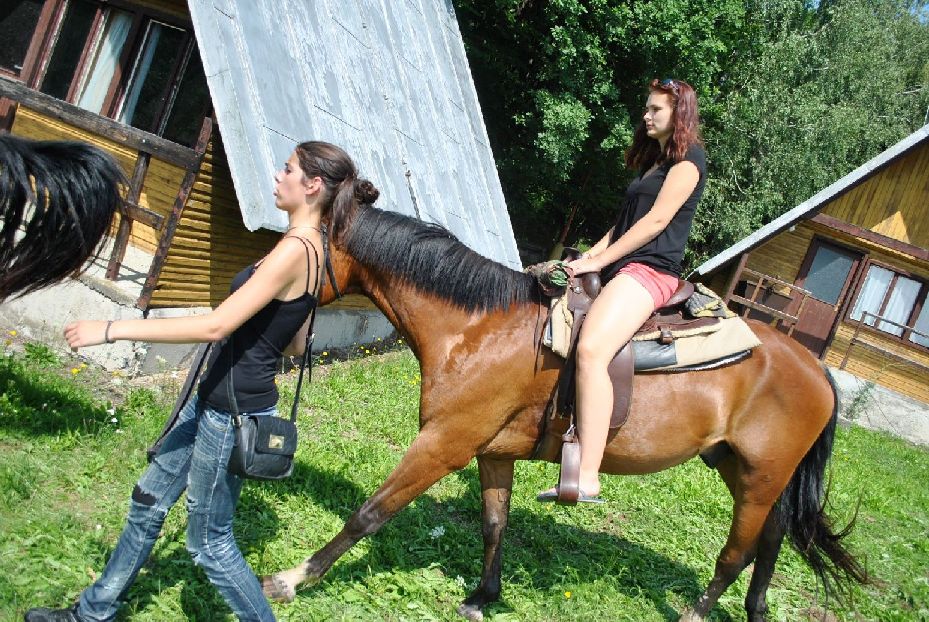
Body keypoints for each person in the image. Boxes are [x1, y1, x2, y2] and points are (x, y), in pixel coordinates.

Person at [25, 141, 380, 622]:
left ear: (313, 185)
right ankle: (92, 613)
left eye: (288, 169)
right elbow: (295, 343)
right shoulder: (313, 250)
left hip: (230, 413)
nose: (278, 176)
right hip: (216, 399)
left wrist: (110, 329)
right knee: (148, 501)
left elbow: (216, 326)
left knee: (210, 543)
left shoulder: (297, 250)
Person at [538, 78, 707, 504]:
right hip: (625, 264)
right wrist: (588, 257)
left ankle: (588, 476)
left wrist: (600, 262)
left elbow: (655, 223)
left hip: (651, 270)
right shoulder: (654, 162)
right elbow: (623, 226)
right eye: (647, 108)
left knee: (593, 350)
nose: (646, 116)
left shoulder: (689, 161)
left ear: (679, 114)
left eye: (656, 109)